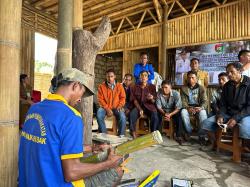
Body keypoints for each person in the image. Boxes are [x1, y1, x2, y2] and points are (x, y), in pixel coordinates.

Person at [19, 68, 123, 187]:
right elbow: (72, 173)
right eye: (82, 93)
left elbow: (52, 145)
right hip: (55, 183)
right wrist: (108, 164)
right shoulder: (71, 116)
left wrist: (92, 148)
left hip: (29, 182)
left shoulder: (34, 109)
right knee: (117, 171)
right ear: (75, 85)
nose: (80, 99)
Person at [202, 62, 250, 151]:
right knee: (206, 123)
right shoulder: (227, 86)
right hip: (229, 113)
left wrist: (236, 118)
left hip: (245, 114)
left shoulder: (248, 83)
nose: (229, 74)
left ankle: (243, 148)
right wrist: (221, 115)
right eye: (227, 72)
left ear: (239, 71)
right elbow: (223, 104)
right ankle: (215, 143)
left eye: (232, 72)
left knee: (245, 129)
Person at [129, 71, 159, 138]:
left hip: (149, 106)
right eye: (142, 75)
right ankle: (133, 132)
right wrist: (140, 109)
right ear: (139, 77)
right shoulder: (134, 87)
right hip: (138, 106)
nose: (143, 77)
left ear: (148, 78)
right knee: (132, 114)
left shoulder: (152, 87)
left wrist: (151, 98)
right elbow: (134, 100)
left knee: (154, 114)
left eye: (145, 75)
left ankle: (153, 133)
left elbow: (154, 101)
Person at [97, 69, 126, 136]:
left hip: (117, 107)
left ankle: (121, 135)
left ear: (114, 76)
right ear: (106, 76)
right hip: (105, 107)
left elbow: (123, 98)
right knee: (99, 114)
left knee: (123, 117)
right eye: (108, 76)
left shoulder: (119, 86)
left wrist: (120, 106)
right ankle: (104, 135)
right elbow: (100, 99)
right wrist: (107, 109)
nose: (110, 78)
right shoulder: (101, 86)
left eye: (111, 76)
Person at [181, 71, 208, 138]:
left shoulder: (201, 88)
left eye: (192, 77)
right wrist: (188, 108)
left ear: (196, 78)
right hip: (188, 107)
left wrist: (201, 108)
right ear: (187, 78)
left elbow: (205, 101)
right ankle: (189, 132)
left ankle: (202, 135)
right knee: (183, 112)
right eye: (189, 78)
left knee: (203, 113)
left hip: (198, 107)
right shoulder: (183, 88)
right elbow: (183, 101)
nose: (190, 79)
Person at [156, 80, 184, 144]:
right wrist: (165, 114)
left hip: (173, 111)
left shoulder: (176, 93)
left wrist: (170, 114)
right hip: (163, 111)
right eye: (162, 87)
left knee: (179, 115)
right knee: (157, 114)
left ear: (170, 87)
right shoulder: (159, 93)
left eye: (166, 87)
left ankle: (179, 136)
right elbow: (159, 107)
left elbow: (178, 107)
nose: (164, 89)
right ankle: (158, 134)